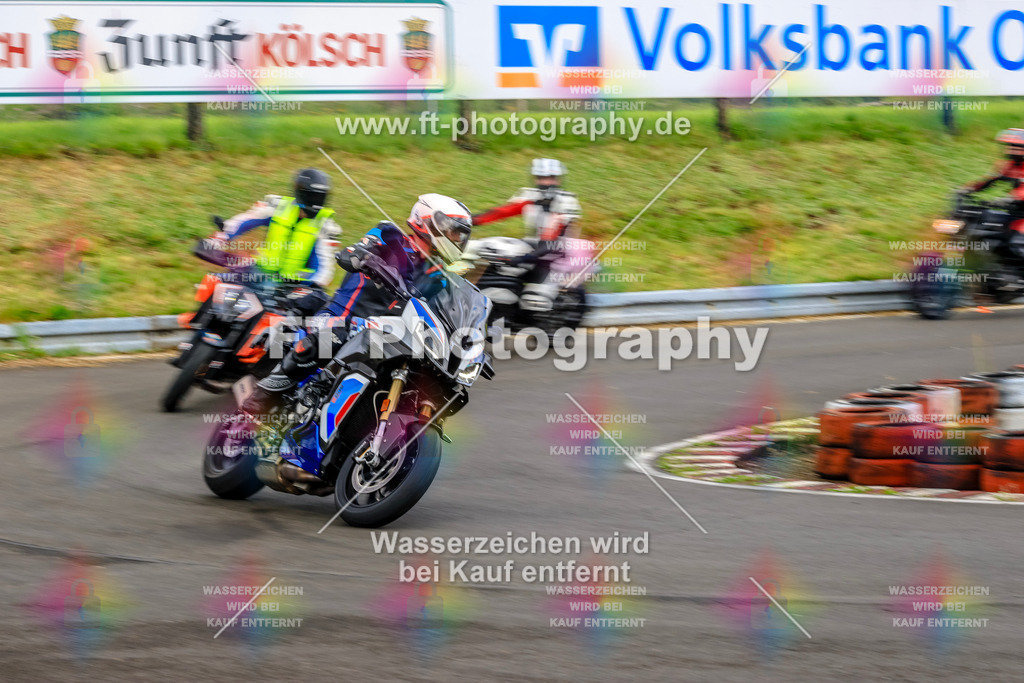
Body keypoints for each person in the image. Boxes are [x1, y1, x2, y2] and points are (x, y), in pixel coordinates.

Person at [242, 193, 472, 414]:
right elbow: (352, 252)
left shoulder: (440, 276)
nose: (457, 240)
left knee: (424, 375)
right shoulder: (391, 235)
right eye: (454, 232)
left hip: (386, 335)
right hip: (343, 318)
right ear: (430, 223)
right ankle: (257, 403)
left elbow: (449, 312)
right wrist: (362, 256)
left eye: (461, 235)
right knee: (327, 339)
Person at [212, 168, 342, 314]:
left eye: (320, 197)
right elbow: (247, 220)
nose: (316, 201)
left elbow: (325, 268)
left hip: (291, 289)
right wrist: (223, 236)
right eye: (313, 196)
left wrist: (306, 288)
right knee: (217, 285)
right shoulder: (278, 206)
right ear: (301, 193)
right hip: (258, 272)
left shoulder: (327, 227)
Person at [471, 158, 582, 286]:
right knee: (486, 247)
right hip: (533, 247)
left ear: (559, 180)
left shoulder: (567, 201)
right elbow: (502, 212)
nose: (546, 182)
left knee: (535, 295)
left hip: (557, 255)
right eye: (541, 178)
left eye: (551, 178)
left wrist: (524, 258)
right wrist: (470, 220)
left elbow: (550, 241)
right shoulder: (531, 196)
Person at [960, 129, 1024, 257]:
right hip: (1015, 211)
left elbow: (1022, 191)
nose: (1011, 150)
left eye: (1016, 147)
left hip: (1021, 213)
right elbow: (989, 180)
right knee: (986, 226)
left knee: (1016, 241)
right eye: (1010, 146)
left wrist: (1009, 199)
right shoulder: (1009, 165)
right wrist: (965, 190)